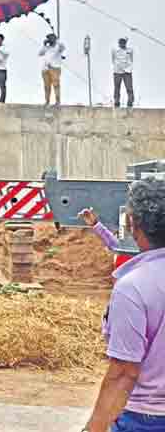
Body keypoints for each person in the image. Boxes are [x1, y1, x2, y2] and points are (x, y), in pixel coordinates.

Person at [82, 177, 165, 432]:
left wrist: (93, 428)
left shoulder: (133, 288)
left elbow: (124, 373)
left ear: (132, 223)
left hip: (147, 418)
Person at [39, 32, 66, 106]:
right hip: (45, 69)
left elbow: (63, 47)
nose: (49, 39)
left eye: (51, 38)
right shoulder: (47, 48)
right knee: (46, 86)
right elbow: (40, 53)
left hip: (55, 68)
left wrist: (57, 41)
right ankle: (47, 101)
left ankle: (57, 102)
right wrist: (44, 45)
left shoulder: (58, 47)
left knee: (56, 85)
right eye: (48, 38)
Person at [113, 37, 135, 109]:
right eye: (121, 43)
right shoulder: (115, 50)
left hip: (127, 72)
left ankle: (130, 102)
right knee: (117, 88)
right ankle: (116, 102)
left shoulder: (129, 50)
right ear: (119, 44)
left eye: (123, 43)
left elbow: (131, 59)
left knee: (129, 87)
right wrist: (117, 67)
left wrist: (128, 68)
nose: (122, 44)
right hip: (117, 71)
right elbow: (113, 59)